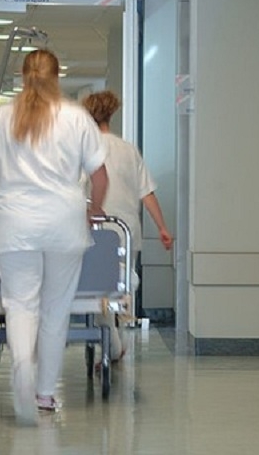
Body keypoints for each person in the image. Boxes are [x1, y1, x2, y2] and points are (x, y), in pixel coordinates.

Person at [0, 49, 108, 424]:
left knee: (20, 305)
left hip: (14, 223)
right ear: (57, 76)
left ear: (22, 75)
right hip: (65, 224)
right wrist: (94, 211)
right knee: (55, 310)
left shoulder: (0, 118)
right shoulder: (77, 118)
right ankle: (44, 394)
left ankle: (22, 369)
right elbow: (100, 178)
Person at [81, 90, 173, 361]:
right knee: (121, 286)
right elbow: (147, 193)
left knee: (98, 288)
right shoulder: (128, 150)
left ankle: (112, 343)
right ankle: (116, 339)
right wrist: (162, 227)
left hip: (96, 227)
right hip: (126, 230)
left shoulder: (83, 149)